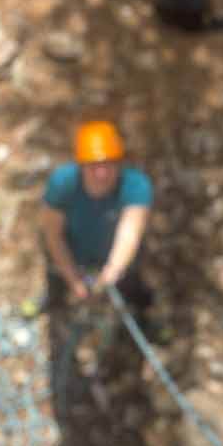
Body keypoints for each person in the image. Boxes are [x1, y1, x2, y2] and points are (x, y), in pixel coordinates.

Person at [40, 120, 154, 318]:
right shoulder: (62, 183)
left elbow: (130, 233)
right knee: (56, 282)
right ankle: (52, 305)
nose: (101, 174)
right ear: (81, 166)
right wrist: (73, 279)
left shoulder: (136, 186)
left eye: (108, 164)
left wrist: (112, 272)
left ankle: (143, 321)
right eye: (94, 166)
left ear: (119, 164)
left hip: (114, 256)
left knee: (133, 289)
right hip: (73, 252)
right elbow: (52, 235)